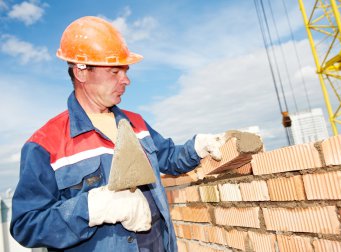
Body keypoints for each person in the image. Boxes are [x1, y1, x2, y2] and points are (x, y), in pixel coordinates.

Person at [10, 16, 225, 252]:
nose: (127, 80)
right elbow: (26, 225)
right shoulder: (45, 144)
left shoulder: (135, 123)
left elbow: (168, 158)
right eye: (115, 72)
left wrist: (196, 148)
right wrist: (93, 209)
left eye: (125, 71)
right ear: (81, 72)